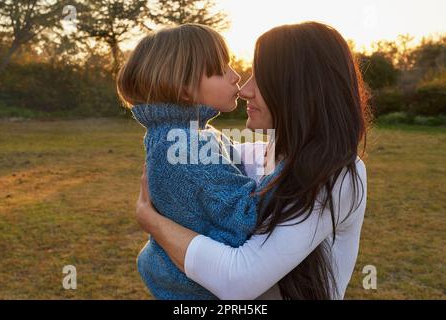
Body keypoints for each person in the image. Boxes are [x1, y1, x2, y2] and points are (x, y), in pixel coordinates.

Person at [135, 22, 371, 300]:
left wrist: (153, 222)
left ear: (297, 88)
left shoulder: (335, 173)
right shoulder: (255, 155)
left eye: (260, 78)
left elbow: (237, 281)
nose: (245, 90)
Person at [116, 23, 281, 299]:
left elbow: (233, 162)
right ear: (184, 90)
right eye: (221, 71)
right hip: (200, 290)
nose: (236, 76)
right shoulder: (186, 143)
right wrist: (295, 164)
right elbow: (245, 217)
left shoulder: (180, 132)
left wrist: (275, 149)